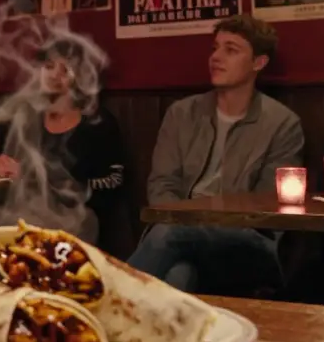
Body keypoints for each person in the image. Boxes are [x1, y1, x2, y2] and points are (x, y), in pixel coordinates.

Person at [126, 15, 304, 295]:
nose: (216, 57)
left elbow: (267, 205)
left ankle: (106, 301)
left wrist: (196, 224)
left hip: (247, 240)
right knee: (179, 274)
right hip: (177, 233)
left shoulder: (282, 123)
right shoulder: (182, 114)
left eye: (231, 50)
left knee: (171, 233)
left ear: (258, 63)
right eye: (215, 48)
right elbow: (162, 185)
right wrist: (185, 224)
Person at [0, 39, 127, 258]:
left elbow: (113, 182)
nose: (55, 75)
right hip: (24, 209)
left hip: (75, 215)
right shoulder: (25, 120)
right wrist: (0, 170)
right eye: (48, 67)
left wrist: (40, 179)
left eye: (65, 69)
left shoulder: (97, 123)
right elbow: (11, 176)